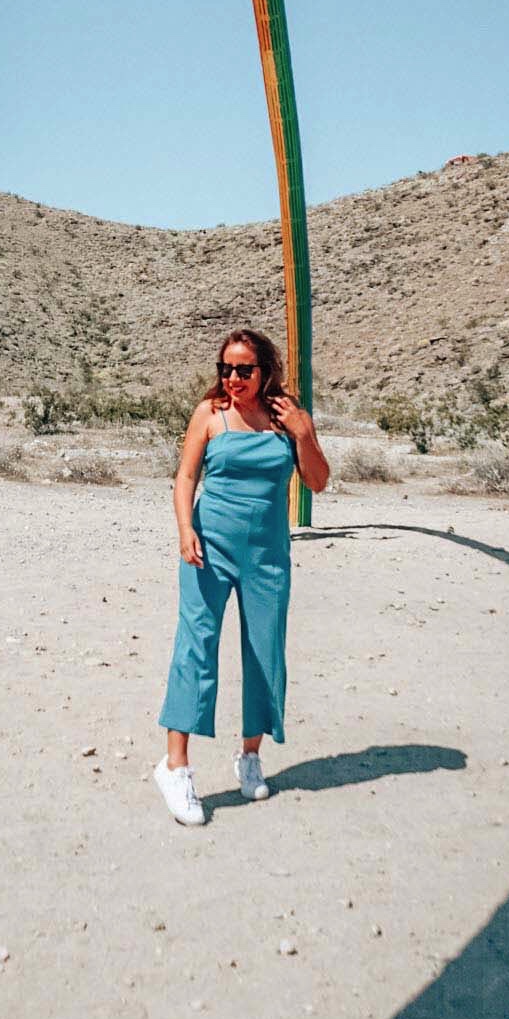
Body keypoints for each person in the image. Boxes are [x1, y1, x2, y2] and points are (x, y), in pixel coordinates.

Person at [154, 328, 329, 825]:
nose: (232, 378)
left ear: (265, 370)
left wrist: (304, 431)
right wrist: (186, 528)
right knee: (197, 644)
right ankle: (176, 767)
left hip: (267, 555)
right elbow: (186, 475)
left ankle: (250, 756)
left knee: (264, 651)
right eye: (225, 369)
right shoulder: (209, 414)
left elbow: (317, 480)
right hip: (208, 548)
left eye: (243, 370)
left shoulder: (284, 418)